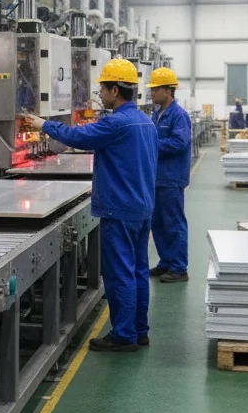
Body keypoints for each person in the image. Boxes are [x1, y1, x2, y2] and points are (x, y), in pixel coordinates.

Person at [24, 58, 157, 353]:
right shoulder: (145, 122)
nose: (100, 94)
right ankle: (139, 329)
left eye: (103, 89)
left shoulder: (116, 123)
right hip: (142, 206)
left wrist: (43, 124)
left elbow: (78, 137)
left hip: (120, 209)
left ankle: (124, 335)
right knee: (137, 270)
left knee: (120, 272)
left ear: (114, 90)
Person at [148, 68, 192, 284]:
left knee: (173, 223)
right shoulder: (157, 114)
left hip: (171, 178)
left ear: (167, 90)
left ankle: (179, 268)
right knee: (157, 223)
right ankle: (166, 261)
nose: (152, 93)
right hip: (156, 178)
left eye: (155, 89)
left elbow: (179, 143)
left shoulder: (178, 115)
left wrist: (151, 145)